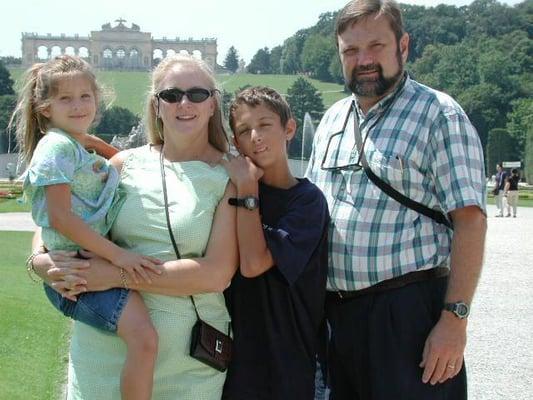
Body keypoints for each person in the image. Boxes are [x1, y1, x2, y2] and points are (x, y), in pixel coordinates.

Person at [305, 1, 487, 399]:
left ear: (403, 46)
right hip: (338, 318)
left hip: (407, 316)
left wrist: (454, 321)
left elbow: (470, 220)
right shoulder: (333, 120)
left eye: (376, 46)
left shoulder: (439, 114)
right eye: (351, 51)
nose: (363, 60)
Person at [30, 54, 238, 400]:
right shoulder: (124, 163)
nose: (183, 103)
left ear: (213, 103)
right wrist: (39, 260)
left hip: (188, 366)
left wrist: (115, 275)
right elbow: (61, 213)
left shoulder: (230, 175)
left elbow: (216, 274)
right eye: (171, 95)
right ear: (156, 106)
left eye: (197, 94)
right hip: (102, 358)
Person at [12, 55, 162, 400]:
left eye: (85, 96)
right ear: (45, 107)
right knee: (145, 339)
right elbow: (61, 218)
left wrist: (94, 142)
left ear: (97, 98)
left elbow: (114, 164)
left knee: (144, 339)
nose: (78, 105)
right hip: (77, 272)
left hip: (79, 263)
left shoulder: (71, 144)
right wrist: (119, 257)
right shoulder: (56, 148)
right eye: (65, 98)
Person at [221, 87, 329, 399]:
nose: (255, 136)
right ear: (235, 143)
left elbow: (254, 264)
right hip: (233, 362)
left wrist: (247, 188)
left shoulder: (308, 202)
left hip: (287, 364)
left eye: (265, 124)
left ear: (289, 129)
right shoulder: (230, 191)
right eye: (244, 130)